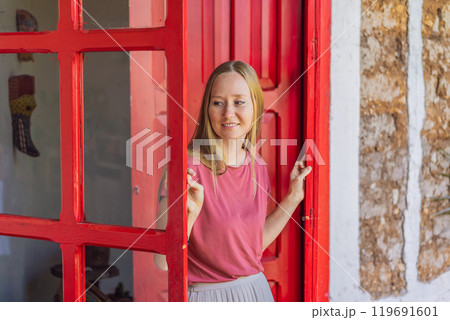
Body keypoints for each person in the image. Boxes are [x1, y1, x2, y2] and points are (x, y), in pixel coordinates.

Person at [154, 60, 312, 302]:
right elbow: (162, 262)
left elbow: (251, 249)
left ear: (255, 107)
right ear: (208, 109)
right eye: (218, 103)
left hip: (256, 292)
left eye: (239, 102)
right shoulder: (186, 169)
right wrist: (187, 216)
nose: (228, 113)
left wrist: (293, 197)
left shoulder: (256, 164)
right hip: (207, 298)